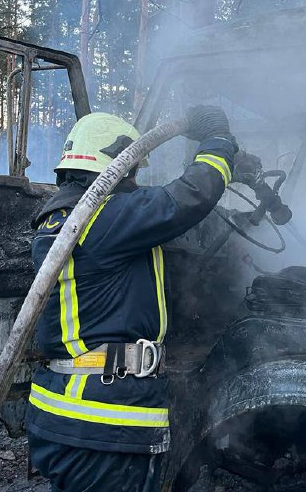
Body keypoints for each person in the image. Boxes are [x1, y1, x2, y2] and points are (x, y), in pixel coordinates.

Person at [25, 106, 237, 492]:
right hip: (102, 420)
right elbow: (191, 195)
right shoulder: (102, 218)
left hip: (72, 415)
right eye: (134, 172)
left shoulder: (60, 219)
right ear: (115, 165)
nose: (136, 182)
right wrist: (219, 141)